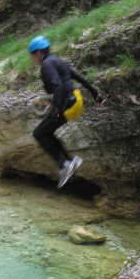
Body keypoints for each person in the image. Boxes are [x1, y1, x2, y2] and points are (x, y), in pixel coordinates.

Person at [28, 35, 105, 188]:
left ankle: (63, 165)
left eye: (32, 56)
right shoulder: (56, 60)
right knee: (47, 132)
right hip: (77, 100)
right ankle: (71, 161)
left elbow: (57, 85)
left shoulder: (46, 64)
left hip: (68, 103)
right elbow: (78, 77)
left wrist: (55, 107)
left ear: (37, 53)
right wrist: (96, 94)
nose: (33, 59)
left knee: (38, 133)